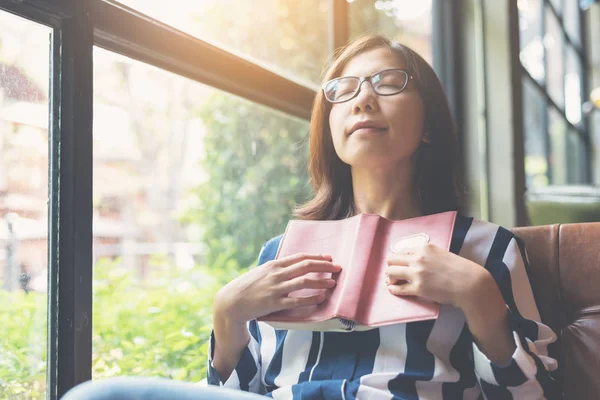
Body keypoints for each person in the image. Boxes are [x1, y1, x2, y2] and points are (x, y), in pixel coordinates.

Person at [63, 34, 558, 400]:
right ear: (331, 129)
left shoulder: (487, 248)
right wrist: (227, 315)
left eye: (387, 83)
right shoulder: (281, 253)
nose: (362, 98)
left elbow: (533, 394)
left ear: (428, 126)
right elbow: (238, 390)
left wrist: (478, 297)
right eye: (342, 90)